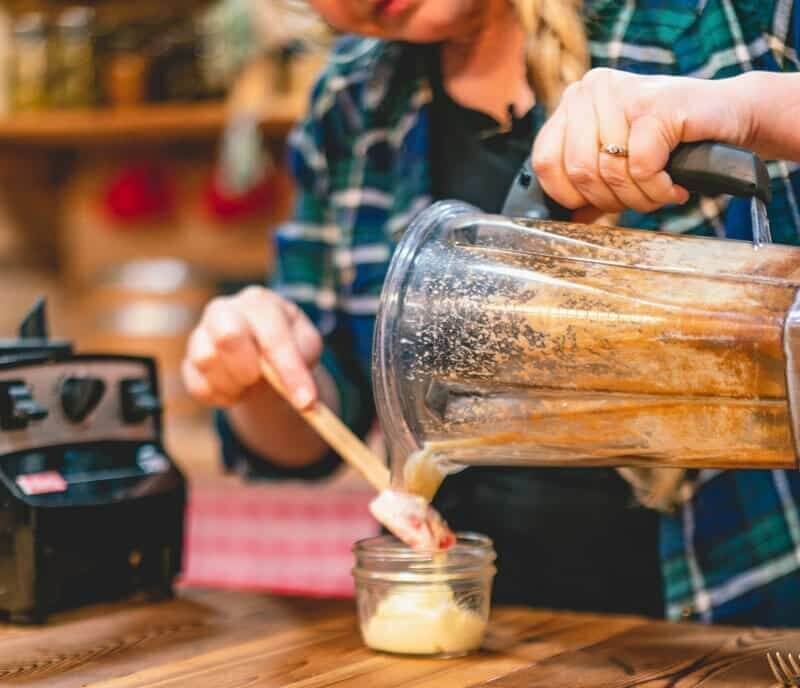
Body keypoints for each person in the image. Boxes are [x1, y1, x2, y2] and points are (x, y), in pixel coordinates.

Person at [183, 0, 800, 625]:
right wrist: (259, 370)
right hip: (480, 628)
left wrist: (748, 107)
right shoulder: (351, 99)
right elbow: (325, 420)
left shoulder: (717, 17)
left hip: (737, 612)